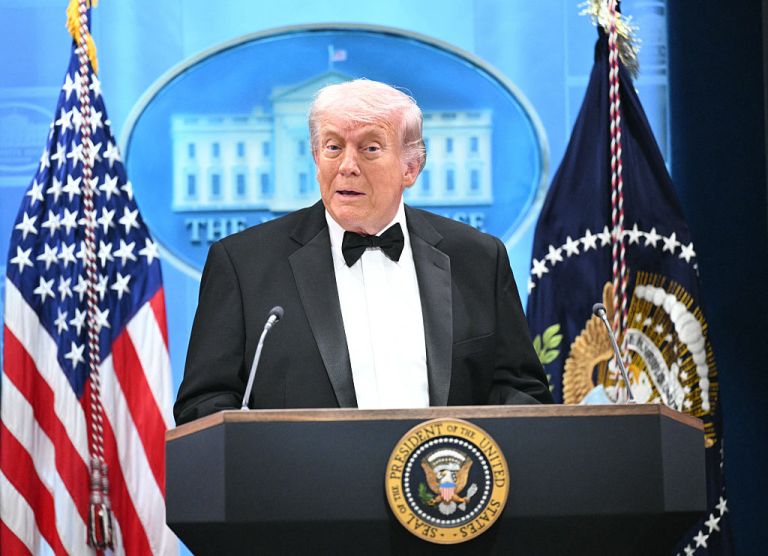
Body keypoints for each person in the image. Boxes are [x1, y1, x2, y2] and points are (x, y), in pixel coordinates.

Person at [174, 79, 552, 425]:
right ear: (316, 158)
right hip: (301, 479)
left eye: (370, 148)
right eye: (333, 147)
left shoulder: (479, 259)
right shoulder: (243, 265)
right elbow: (204, 404)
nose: (347, 166)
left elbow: (521, 392)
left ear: (411, 167)